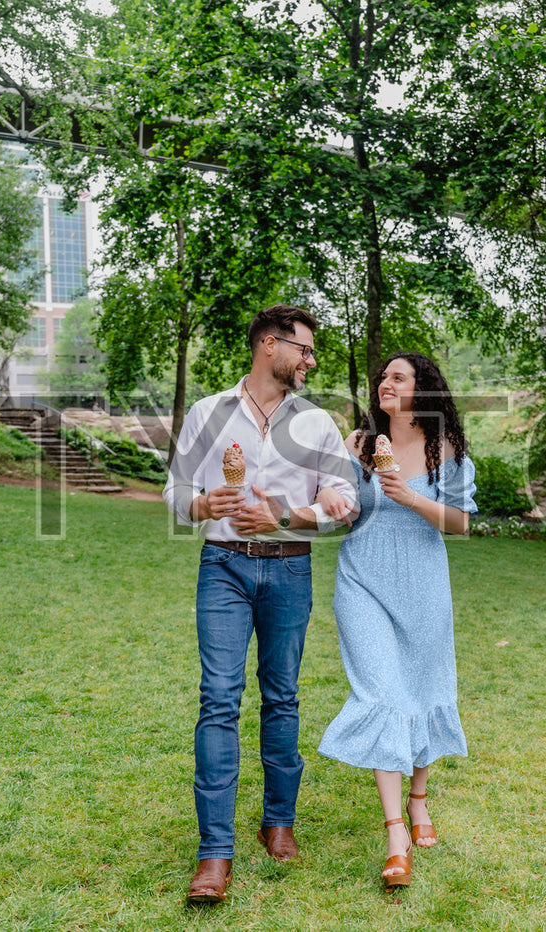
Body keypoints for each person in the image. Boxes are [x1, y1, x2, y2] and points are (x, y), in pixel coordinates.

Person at [164, 304, 357, 905]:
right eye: (304, 348)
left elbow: (345, 496)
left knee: (283, 696)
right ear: (269, 345)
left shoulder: (318, 422)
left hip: (290, 568)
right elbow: (175, 492)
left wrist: (289, 514)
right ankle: (214, 853)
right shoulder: (207, 413)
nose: (311, 359)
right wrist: (204, 506)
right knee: (219, 700)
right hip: (223, 567)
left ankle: (279, 822)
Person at [316, 351, 477, 891]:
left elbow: (461, 524)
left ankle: (419, 797)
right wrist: (331, 499)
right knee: (381, 693)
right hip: (362, 579)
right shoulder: (358, 445)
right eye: (383, 377)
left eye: (398, 377)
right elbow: (334, 495)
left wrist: (409, 496)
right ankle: (394, 835)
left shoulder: (446, 449)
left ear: (422, 390)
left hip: (424, 582)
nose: (386, 383)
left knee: (424, 686)